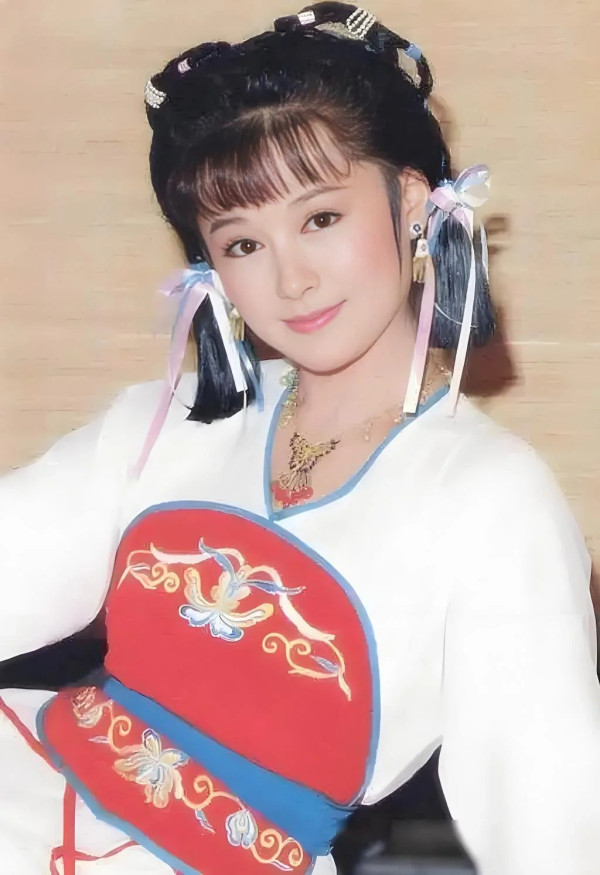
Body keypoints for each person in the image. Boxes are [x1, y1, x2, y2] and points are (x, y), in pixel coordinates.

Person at [1, 3, 599, 874]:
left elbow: (546, 827)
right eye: (243, 242)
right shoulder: (172, 418)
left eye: (320, 218)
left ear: (408, 201)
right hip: (32, 773)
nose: (291, 279)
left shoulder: (495, 501)